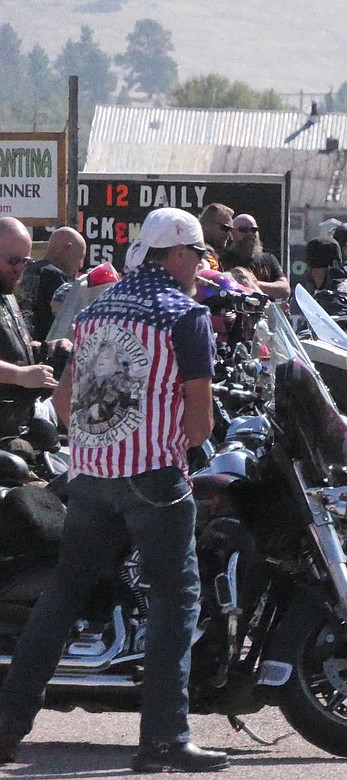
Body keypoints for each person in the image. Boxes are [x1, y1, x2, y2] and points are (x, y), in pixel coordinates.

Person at [0, 207, 227, 772]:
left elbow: (62, 399)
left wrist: (100, 439)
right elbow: (199, 428)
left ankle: (5, 729)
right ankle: (164, 740)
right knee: (176, 599)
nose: (199, 268)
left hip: (91, 476)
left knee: (62, 596)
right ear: (176, 254)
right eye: (198, 256)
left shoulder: (98, 309)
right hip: (154, 477)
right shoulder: (185, 315)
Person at [0, 219, 72, 450]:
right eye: (13, 260)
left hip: (20, 421)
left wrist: (45, 348)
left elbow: (13, 344)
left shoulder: (8, 294)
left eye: (25, 261)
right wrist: (20, 375)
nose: (19, 268)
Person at [29, 227, 86, 343]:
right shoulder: (55, 276)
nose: (80, 266)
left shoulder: (26, 270)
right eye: (80, 258)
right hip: (44, 346)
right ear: (68, 248)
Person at [219, 214, 290, 300]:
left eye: (254, 230)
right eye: (243, 230)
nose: (250, 234)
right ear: (232, 233)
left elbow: (285, 289)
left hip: (265, 312)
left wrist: (254, 284)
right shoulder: (223, 260)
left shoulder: (268, 259)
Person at [197, 203, 235, 270]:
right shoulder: (200, 253)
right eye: (225, 228)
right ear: (207, 225)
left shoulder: (219, 255)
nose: (229, 235)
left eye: (230, 230)